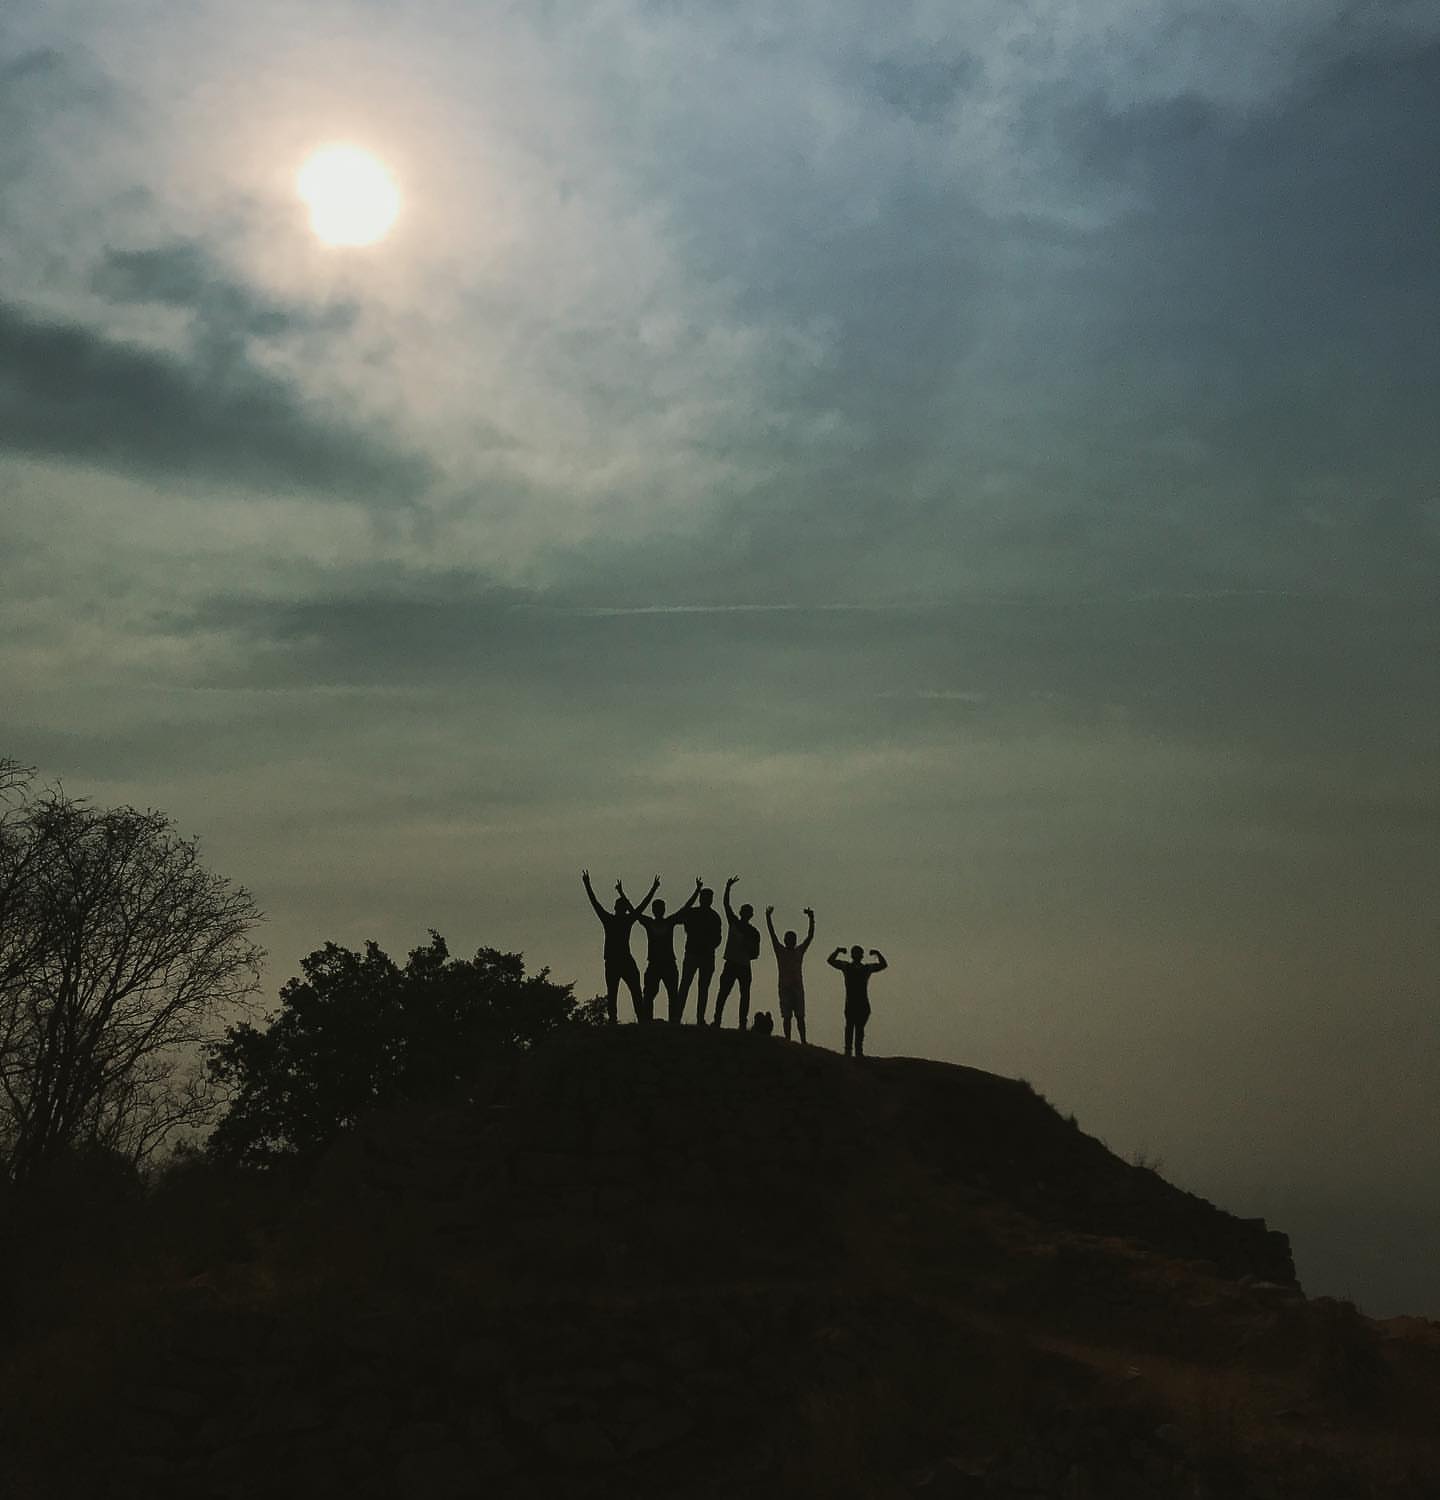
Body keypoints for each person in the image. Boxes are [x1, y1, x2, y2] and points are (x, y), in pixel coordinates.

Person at [581, 869, 658, 1024]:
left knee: (623, 991)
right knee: (627, 991)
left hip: (618, 960)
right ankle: (631, 1019)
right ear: (620, 909)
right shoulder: (622, 920)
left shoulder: (611, 920)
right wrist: (653, 889)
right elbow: (640, 907)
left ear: (616, 908)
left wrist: (588, 885)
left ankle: (622, 1019)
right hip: (619, 960)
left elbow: (595, 903)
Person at [634, 876, 704, 1023]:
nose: (659, 911)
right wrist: (653, 889)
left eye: (660, 908)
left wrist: (697, 891)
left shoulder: (668, 922)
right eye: (657, 908)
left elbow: (685, 909)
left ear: (662, 910)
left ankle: (672, 1020)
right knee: (650, 994)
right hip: (656, 964)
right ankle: (648, 1020)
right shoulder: (654, 922)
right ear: (654, 910)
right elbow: (636, 911)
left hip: (667, 964)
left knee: (671, 994)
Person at [713, 876, 762, 1030]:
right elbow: (726, 905)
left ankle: (740, 1023)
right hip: (735, 963)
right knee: (725, 993)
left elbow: (755, 953)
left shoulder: (753, 932)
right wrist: (728, 887)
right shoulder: (738, 924)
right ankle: (719, 1020)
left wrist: (746, 947)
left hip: (741, 964)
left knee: (741, 994)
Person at [826, 944, 888, 1058]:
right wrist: (877, 954)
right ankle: (852, 1052)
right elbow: (830, 961)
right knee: (853, 1028)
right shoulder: (855, 967)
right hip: (856, 1003)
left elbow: (883, 965)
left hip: (858, 1003)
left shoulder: (855, 967)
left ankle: (854, 1052)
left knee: (855, 1028)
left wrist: (838, 951)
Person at [765, 904, 815, 1044]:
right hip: (786, 988)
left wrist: (811, 918)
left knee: (799, 1017)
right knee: (787, 1016)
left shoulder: (798, 951)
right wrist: (768, 918)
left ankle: (803, 1041)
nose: (790, 941)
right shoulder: (780, 951)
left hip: (796, 988)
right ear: (786, 940)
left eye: (792, 939)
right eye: (789, 939)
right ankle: (788, 1040)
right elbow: (772, 935)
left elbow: (810, 936)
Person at [677, 885, 724, 1025]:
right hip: (695, 954)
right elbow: (681, 915)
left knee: (700, 988)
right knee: (688, 986)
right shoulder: (699, 914)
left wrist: (708, 946)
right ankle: (679, 1016)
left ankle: (696, 1018)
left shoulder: (713, 916)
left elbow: (718, 938)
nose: (707, 900)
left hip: (704, 955)